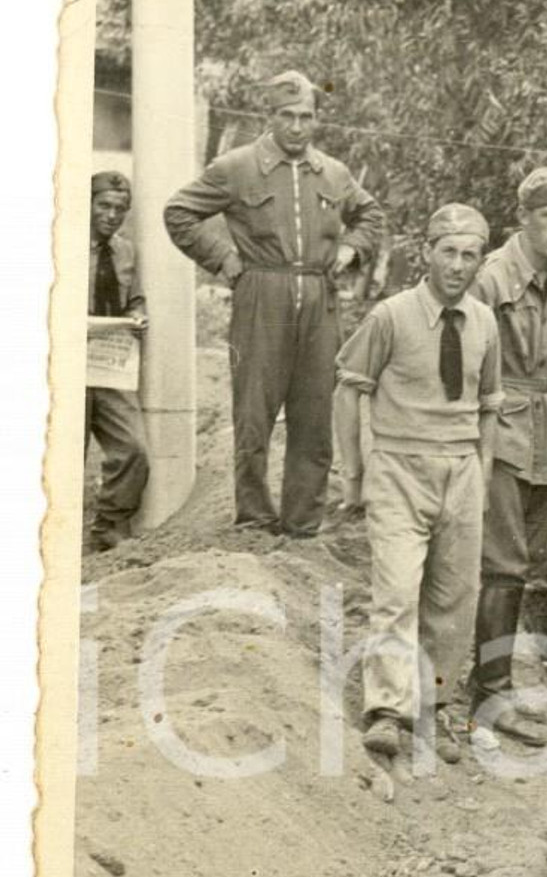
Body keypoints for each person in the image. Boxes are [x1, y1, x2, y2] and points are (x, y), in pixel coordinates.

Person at [163, 70, 384, 538]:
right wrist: (223, 258)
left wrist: (350, 250)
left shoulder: (334, 172)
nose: (298, 127)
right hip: (261, 294)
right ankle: (256, 522)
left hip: (319, 299)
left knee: (313, 417)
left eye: (307, 117)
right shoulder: (236, 167)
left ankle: (303, 524)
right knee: (254, 415)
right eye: (288, 116)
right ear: (270, 116)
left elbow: (370, 215)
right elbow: (179, 212)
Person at [333, 204, 502, 765]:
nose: (458, 265)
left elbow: (490, 405)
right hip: (399, 468)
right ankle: (386, 709)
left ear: (481, 259)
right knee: (398, 591)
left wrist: (483, 470)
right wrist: (354, 475)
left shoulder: (483, 321)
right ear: (427, 251)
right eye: (448, 251)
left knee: (455, 598)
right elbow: (349, 386)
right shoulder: (391, 316)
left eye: (470, 254)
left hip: (460, 471)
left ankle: (437, 707)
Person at [469, 166, 547, 745]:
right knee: (502, 565)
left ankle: (496, 684)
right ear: (523, 219)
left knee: (525, 562)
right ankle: (489, 698)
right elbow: (463, 360)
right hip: (500, 435)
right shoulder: (491, 280)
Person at [86, 172, 149, 550]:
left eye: (120, 209)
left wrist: (138, 316)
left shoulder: (125, 251)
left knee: (134, 448)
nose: (112, 215)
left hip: (109, 365)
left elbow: (134, 299)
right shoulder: (59, 241)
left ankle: (110, 523)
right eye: (104, 206)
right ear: (87, 204)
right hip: (63, 364)